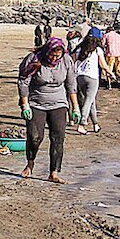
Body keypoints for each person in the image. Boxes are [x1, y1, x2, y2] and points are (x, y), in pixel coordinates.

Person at [17, 36, 80, 184]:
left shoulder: (66, 60)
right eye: (52, 54)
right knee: (35, 137)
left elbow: (71, 85)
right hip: (36, 103)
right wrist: (25, 105)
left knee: (58, 138)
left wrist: (75, 108)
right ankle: (30, 163)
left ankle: (54, 172)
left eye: (58, 55)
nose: (54, 58)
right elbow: (23, 82)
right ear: (47, 51)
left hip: (59, 103)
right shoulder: (34, 59)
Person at [72, 33, 104, 133]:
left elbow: (72, 62)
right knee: (88, 101)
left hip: (79, 77)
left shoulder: (79, 50)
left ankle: (95, 124)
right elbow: (103, 65)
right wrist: (111, 73)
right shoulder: (98, 50)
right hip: (93, 78)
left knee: (91, 101)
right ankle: (81, 124)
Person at [101, 25, 120, 90]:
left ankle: (109, 85)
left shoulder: (106, 35)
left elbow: (102, 44)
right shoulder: (119, 36)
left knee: (109, 69)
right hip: (119, 54)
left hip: (110, 54)